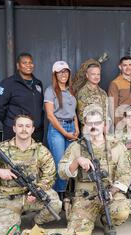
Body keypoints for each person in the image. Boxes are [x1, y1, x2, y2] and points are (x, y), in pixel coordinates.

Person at [0, 115, 62, 235]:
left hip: (32, 195)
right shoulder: (2, 149)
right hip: (8, 197)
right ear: (14, 128)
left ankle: (36, 222)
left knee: (55, 204)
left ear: (33, 129)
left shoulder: (41, 151)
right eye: (20, 126)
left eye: (27, 126)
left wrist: (37, 190)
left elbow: (49, 175)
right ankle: (10, 219)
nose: (24, 129)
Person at [59, 110, 131, 235]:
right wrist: (77, 161)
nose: (93, 126)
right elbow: (61, 173)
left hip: (109, 195)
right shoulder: (76, 146)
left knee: (122, 210)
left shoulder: (117, 146)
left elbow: (125, 174)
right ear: (84, 126)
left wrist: (112, 191)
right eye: (89, 123)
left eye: (97, 122)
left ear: (104, 125)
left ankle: (105, 219)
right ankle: (87, 219)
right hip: (84, 197)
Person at [44, 61, 79, 198]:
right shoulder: (50, 91)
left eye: (65, 71)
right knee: (59, 162)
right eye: (60, 72)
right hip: (58, 129)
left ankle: (64, 194)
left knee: (69, 162)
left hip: (71, 127)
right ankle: (57, 196)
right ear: (55, 74)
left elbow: (73, 112)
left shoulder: (71, 91)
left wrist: (76, 128)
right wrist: (65, 133)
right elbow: (50, 116)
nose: (63, 74)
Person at [0, 53, 44, 142]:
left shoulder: (38, 83)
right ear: (18, 65)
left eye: (30, 62)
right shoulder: (8, 83)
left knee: (34, 156)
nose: (28, 65)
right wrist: (11, 122)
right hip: (15, 132)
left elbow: (39, 107)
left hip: (35, 131)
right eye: (24, 62)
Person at [108, 56, 131, 126]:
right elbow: (112, 107)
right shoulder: (115, 83)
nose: (128, 68)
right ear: (120, 67)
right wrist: (118, 124)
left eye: (130, 65)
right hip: (122, 121)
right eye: (125, 65)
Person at [76, 62, 108, 128]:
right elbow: (81, 116)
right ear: (87, 75)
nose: (96, 77)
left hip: (102, 131)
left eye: (98, 74)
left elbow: (106, 114)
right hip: (90, 130)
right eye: (93, 74)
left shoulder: (103, 93)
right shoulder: (83, 93)